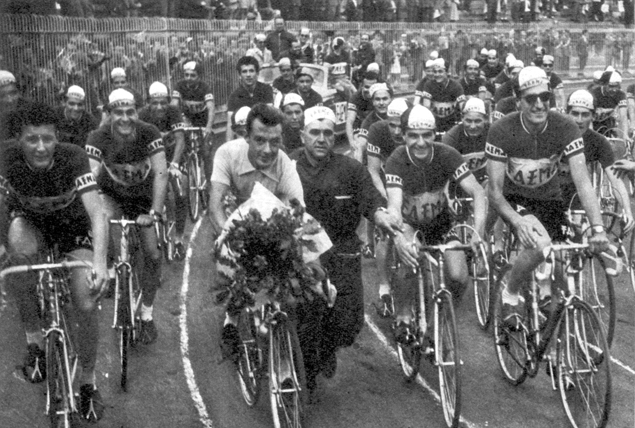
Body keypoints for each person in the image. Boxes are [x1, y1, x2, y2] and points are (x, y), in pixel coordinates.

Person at [1, 103, 109, 421]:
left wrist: (100, 264)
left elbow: (97, 214)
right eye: (31, 139)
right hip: (32, 225)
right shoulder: (6, 157)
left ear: (57, 137)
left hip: (73, 230)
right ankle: (35, 341)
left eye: (47, 138)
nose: (40, 147)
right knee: (17, 263)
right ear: (18, 140)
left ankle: (88, 381)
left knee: (86, 301)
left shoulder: (73, 156)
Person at [290, 105, 402, 396]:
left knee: (349, 324)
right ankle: (308, 375)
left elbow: (370, 199)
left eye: (328, 132)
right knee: (308, 316)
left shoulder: (350, 168)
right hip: (303, 252)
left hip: (342, 249)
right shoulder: (288, 167)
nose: (321, 138)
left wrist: (380, 214)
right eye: (314, 132)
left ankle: (328, 348)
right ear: (303, 135)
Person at [485, 66, 608, 328]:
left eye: (545, 97)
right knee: (540, 245)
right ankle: (510, 293)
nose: (539, 105)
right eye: (531, 99)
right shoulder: (501, 130)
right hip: (514, 198)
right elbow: (494, 192)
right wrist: (516, 222)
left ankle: (552, 351)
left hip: (550, 199)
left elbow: (583, 181)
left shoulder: (565, 126)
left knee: (564, 268)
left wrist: (598, 227)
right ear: (518, 101)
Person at [211, 104, 305, 358]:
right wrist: (226, 237)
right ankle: (231, 321)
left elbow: (298, 210)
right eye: (260, 140)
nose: (267, 150)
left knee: (287, 281)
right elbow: (216, 205)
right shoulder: (227, 154)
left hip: (269, 219)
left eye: (275, 142)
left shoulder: (284, 164)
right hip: (235, 218)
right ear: (246, 137)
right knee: (228, 275)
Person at [385, 104, 487, 340]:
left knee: (459, 278)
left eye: (426, 135)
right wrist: (400, 237)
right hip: (411, 224)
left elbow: (477, 192)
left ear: (435, 135)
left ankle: (440, 315)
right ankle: (402, 316)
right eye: (413, 136)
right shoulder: (397, 159)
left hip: (441, 225)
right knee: (410, 259)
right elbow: (394, 205)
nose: (420, 143)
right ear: (404, 136)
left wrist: (478, 232)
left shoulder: (447, 154)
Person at [85, 88, 168, 345]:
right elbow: (91, 175)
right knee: (105, 217)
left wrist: (154, 213)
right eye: (118, 113)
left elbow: (161, 174)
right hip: (113, 197)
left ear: (136, 112)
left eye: (130, 112)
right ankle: (110, 266)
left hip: (143, 201)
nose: (125, 118)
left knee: (152, 254)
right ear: (109, 114)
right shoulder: (97, 136)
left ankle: (146, 314)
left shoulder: (149, 132)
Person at [562, 90, 634, 232]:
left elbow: (615, 179)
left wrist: (627, 212)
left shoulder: (599, 142)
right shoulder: (554, 135)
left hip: (579, 199)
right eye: (575, 113)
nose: (579, 120)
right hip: (550, 196)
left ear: (593, 116)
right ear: (567, 113)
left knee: (585, 237)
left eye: (585, 114)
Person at [366, 98, 410, 315]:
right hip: (384, 184)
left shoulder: (414, 131)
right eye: (390, 125)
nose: (395, 131)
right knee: (386, 232)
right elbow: (373, 170)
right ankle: (384, 287)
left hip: (409, 187)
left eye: (399, 126)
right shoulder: (376, 130)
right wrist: (386, 199)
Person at [139, 82, 187, 260]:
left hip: (172, 157)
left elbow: (180, 140)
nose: (159, 107)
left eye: (163, 102)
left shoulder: (174, 112)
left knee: (181, 192)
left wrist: (174, 164)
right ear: (148, 102)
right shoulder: (142, 115)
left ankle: (179, 238)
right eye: (154, 103)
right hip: (151, 161)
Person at [170, 61, 215, 179]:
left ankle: (210, 182)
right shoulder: (179, 85)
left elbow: (211, 108)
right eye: (186, 75)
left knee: (206, 153)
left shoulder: (204, 87)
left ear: (199, 76)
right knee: (181, 145)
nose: (189, 78)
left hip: (202, 120)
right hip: (187, 118)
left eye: (192, 75)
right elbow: (174, 105)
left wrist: (209, 128)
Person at [442, 98, 490, 184]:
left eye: (477, 121)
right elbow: (445, 173)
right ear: (462, 118)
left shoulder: (493, 132)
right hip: (459, 183)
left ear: (486, 119)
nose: (472, 126)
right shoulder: (451, 138)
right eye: (468, 121)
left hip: (485, 179)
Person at [226, 56, 274, 142]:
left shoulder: (266, 90)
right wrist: (228, 145)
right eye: (244, 71)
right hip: (243, 137)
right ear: (240, 75)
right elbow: (230, 124)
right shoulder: (234, 96)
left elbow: (269, 118)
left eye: (251, 71)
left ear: (257, 73)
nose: (248, 75)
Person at [416, 58, 466, 134]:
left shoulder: (456, 86)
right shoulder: (429, 85)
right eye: (435, 72)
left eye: (440, 71)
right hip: (435, 120)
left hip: (451, 120)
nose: (437, 75)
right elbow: (426, 106)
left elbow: (463, 106)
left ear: (447, 72)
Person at [345, 71, 379, 162]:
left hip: (373, 122)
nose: (369, 90)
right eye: (366, 87)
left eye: (372, 87)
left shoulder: (379, 95)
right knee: (358, 146)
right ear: (362, 86)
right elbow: (350, 121)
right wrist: (351, 141)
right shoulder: (356, 97)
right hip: (359, 124)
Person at [591, 70, 629, 139]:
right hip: (594, 121)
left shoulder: (620, 94)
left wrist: (625, 135)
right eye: (611, 86)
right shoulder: (595, 93)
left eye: (616, 86)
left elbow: (624, 116)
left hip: (608, 122)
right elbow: (591, 113)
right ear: (604, 84)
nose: (614, 89)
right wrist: (608, 110)